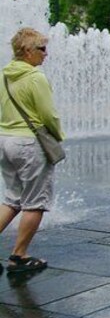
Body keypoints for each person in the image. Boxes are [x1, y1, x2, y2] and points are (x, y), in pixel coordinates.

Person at [0, 28, 64, 274]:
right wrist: (58, 136)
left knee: (12, 198)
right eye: (42, 49)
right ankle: (19, 256)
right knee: (35, 202)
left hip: (5, 140)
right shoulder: (35, 77)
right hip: (29, 144)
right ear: (27, 51)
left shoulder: (5, 75)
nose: (45, 54)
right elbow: (48, 114)